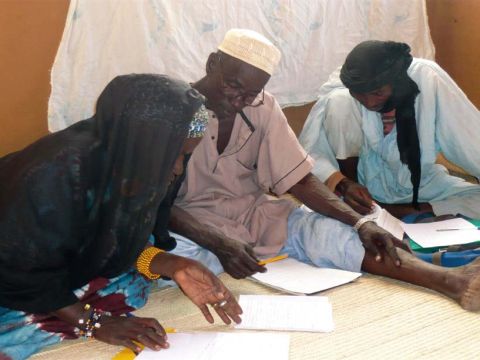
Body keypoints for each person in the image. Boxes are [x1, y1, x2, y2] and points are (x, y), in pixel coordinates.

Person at [165, 29, 480, 312]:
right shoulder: (171, 110)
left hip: (252, 215)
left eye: (251, 94)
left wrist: (360, 223)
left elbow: (300, 182)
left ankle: (450, 280)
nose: (240, 101)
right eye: (233, 86)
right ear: (212, 64)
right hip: (190, 226)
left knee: (336, 233)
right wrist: (218, 242)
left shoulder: (262, 105)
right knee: (171, 260)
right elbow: (153, 206)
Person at [0, 74, 242, 360]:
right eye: (174, 154)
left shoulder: (128, 165)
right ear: (144, 143)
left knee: (130, 285)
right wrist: (93, 322)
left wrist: (171, 263)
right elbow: (17, 265)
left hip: (48, 258)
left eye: (184, 156)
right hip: (12, 261)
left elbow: (115, 237)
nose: (178, 168)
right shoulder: (54, 176)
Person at [299, 40, 480, 219]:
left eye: (378, 93)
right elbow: (310, 155)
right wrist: (344, 185)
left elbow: (471, 140)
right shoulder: (343, 90)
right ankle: (378, 209)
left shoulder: (426, 78)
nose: (369, 103)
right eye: (360, 95)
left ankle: (401, 211)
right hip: (360, 190)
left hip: (421, 186)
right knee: (339, 101)